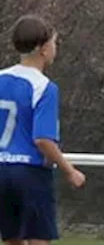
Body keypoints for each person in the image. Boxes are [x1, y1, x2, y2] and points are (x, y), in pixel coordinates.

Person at [0, 16, 86, 245]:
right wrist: (70, 171)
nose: (55, 49)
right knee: (38, 239)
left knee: (12, 239)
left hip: (2, 171)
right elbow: (43, 139)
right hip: (29, 173)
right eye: (54, 43)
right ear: (43, 49)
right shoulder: (44, 87)